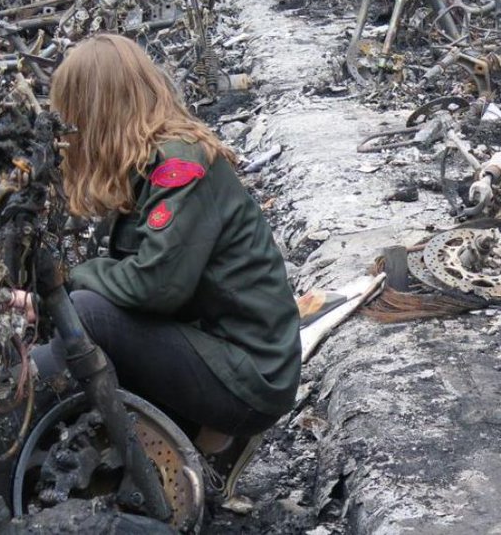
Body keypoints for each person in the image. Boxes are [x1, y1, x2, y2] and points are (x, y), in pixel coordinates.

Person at [27, 34, 301, 495]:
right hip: (226, 356)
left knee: (87, 314)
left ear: (92, 110)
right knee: (80, 314)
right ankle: (195, 440)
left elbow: (154, 286)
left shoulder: (180, 164)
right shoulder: (152, 162)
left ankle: (18, 442)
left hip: (251, 376)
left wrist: (68, 281)